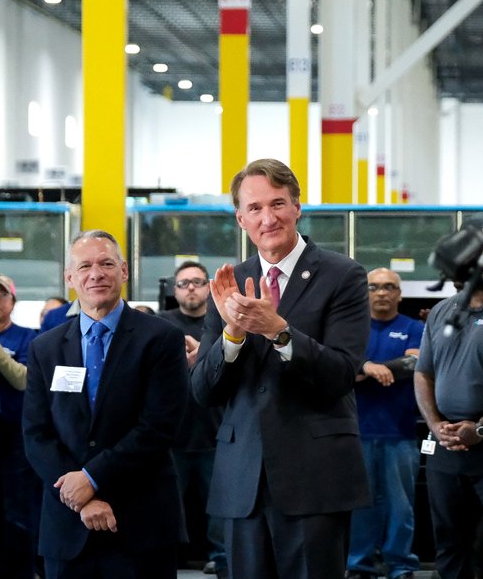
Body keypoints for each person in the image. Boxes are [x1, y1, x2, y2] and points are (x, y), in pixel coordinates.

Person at [190, 158, 370, 579]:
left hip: (315, 477)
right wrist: (232, 334)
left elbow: (342, 373)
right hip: (243, 483)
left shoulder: (342, 275)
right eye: (254, 208)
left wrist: (279, 331)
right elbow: (203, 391)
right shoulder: (229, 280)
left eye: (278, 204)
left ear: (297, 208)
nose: (267, 218)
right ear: (240, 219)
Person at [23, 230, 188, 578]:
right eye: (84, 266)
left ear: (124, 271)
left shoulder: (160, 339)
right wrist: (80, 495)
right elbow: (36, 434)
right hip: (67, 525)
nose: (95, 274)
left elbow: (158, 428)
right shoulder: (45, 347)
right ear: (70, 278)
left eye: (106, 263)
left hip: (140, 523)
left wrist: (93, 478)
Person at [414, 270, 483, 579]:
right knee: (448, 538)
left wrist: (482, 428)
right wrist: (435, 424)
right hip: (445, 444)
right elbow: (423, 373)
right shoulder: (442, 311)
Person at [346, 267, 424, 579]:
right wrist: (367, 367)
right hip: (357, 431)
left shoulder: (414, 327)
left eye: (389, 287)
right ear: (365, 293)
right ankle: (359, 564)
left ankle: (400, 564)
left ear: (399, 294)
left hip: (400, 431)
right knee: (360, 505)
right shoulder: (351, 330)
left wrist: (369, 368)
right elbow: (341, 370)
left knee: (401, 507)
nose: (382, 293)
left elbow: (414, 363)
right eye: (374, 287)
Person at [159, 261, 227, 577]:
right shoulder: (161, 325)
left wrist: (204, 353)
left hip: (216, 430)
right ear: (174, 290)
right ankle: (167, 555)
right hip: (172, 434)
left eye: (198, 282)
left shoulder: (222, 324)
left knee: (220, 503)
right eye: (184, 283)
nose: (191, 288)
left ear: (209, 288)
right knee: (169, 502)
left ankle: (222, 556)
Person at [0, 274, 40, 579]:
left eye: (1, 296)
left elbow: (23, 380)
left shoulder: (29, 337)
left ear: (13, 302)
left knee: (18, 513)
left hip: (16, 437)